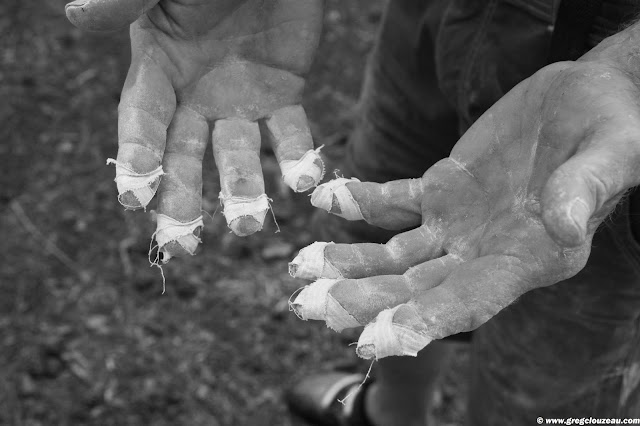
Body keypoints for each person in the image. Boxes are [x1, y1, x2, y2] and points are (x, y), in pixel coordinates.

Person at [64, 0, 640, 424]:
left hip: (603, 102)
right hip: (440, 16)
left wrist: (630, 72)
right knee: (388, 249)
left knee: (549, 378)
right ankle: (390, 413)